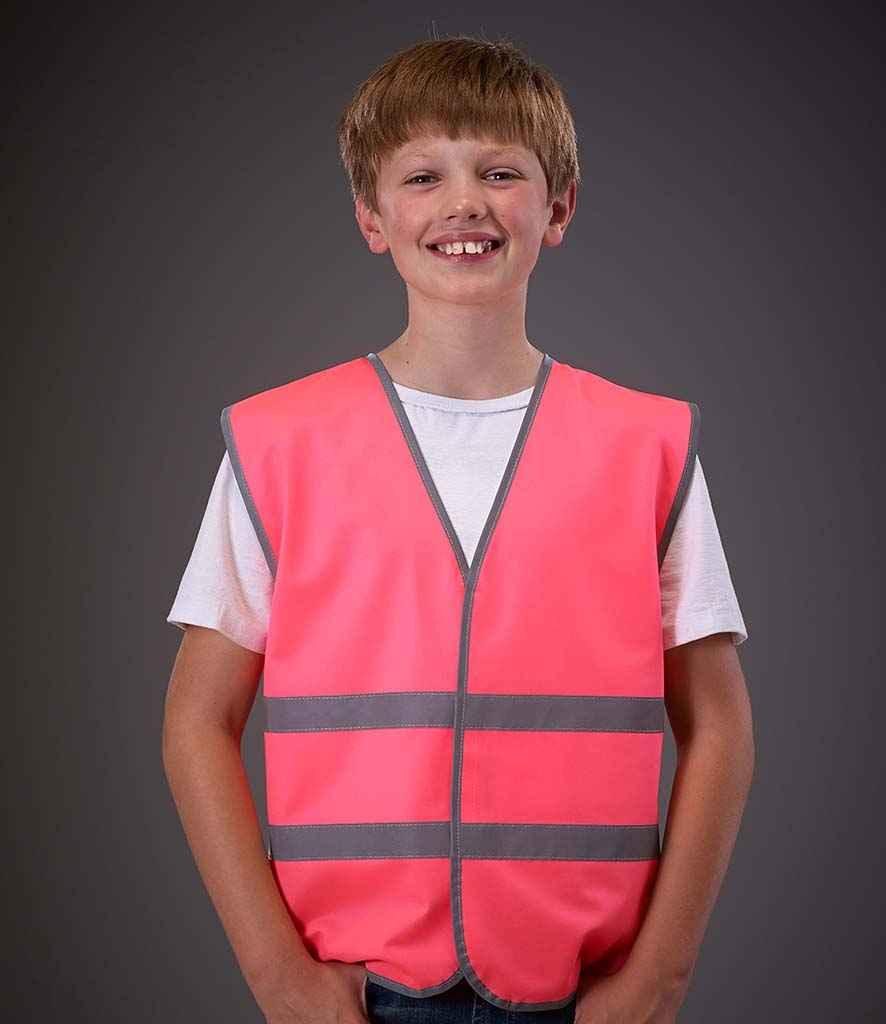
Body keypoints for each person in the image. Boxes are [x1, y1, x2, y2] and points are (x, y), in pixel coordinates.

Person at [162, 33, 753, 1024]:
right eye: (423, 175)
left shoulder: (645, 445)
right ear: (371, 216)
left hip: (584, 991)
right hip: (356, 991)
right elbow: (195, 722)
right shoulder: (279, 443)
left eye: (501, 172)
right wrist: (279, 980)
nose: (464, 203)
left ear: (558, 208)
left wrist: (659, 979)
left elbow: (721, 727)